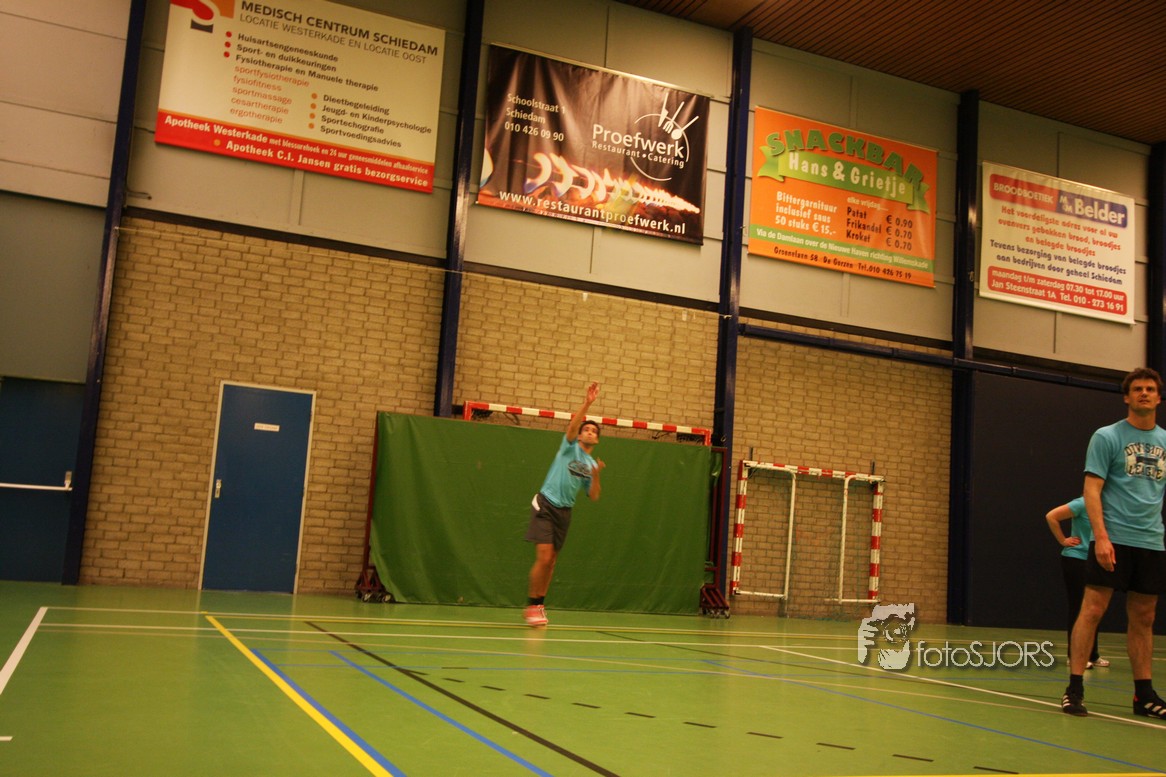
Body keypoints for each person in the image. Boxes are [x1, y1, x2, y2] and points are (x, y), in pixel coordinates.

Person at [1062, 367, 1166, 719]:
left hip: (1150, 541)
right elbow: (1091, 490)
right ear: (1126, 397)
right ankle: (1074, 688)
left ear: (1158, 398)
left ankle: (1144, 695)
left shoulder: (1165, 441)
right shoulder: (1106, 436)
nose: (1144, 393)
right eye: (1137, 389)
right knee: (1092, 609)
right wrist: (1102, 537)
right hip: (1113, 538)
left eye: (1150, 389)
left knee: (1144, 617)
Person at [523, 382, 605, 627]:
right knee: (544, 556)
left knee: (552, 562)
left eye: (593, 431)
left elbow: (593, 496)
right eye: (586, 429)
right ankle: (530, 605)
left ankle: (540, 604)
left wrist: (596, 475)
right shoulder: (568, 447)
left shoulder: (590, 465)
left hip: (564, 512)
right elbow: (571, 426)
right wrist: (588, 403)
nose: (589, 432)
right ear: (579, 435)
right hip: (546, 504)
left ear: (597, 439)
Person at [1045, 498, 1108, 669]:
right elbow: (1051, 516)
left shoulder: (1107, 506)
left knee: (1094, 608)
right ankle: (1074, 656)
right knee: (1078, 607)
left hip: (1095, 561)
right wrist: (1063, 540)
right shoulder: (1082, 503)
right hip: (1076, 560)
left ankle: (1092, 654)